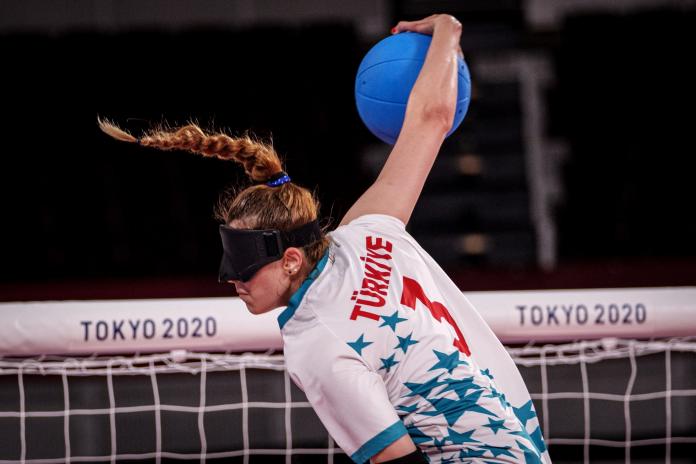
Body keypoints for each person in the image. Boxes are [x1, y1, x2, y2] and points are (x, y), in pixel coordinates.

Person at [100, 14, 550, 464]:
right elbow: (431, 120)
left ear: (291, 259)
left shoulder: (316, 343)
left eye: (243, 262)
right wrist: (448, 30)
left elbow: (397, 461)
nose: (230, 278)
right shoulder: (369, 232)